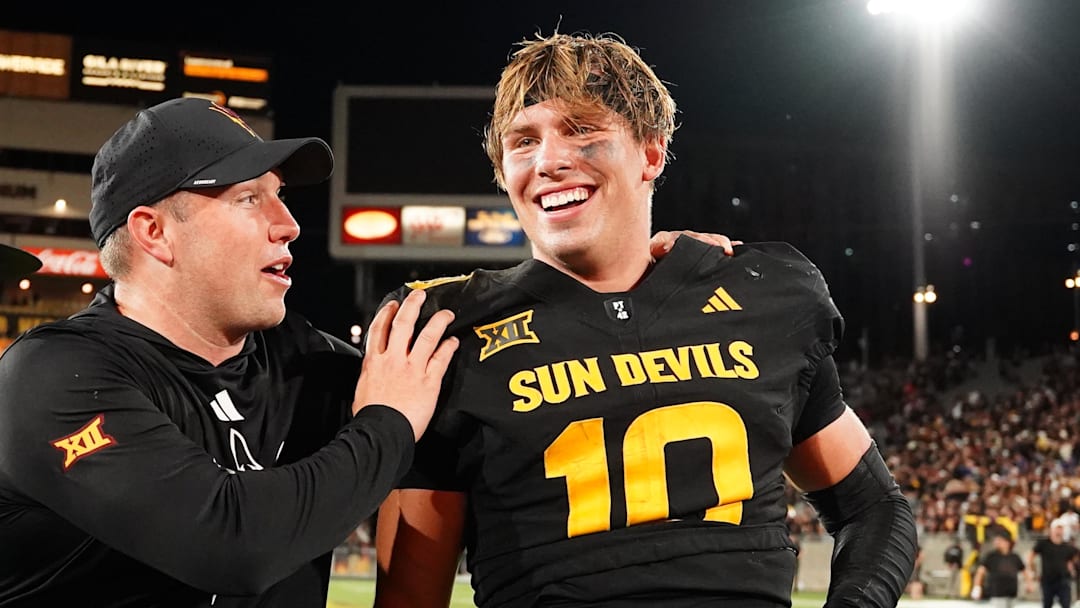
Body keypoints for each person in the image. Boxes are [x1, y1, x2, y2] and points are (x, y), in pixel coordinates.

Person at [372, 31, 918, 607]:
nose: (550, 161)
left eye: (582, 131)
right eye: (523, 142)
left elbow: (875, 508)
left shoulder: (761, 291)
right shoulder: (442, 329)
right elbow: (410, 596)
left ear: (651, 153)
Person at [0, 97, 462, 607]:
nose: (289, 224)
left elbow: (452, 439)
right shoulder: (51, 376)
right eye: (248, 198)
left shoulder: (312, 365)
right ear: (154, 233)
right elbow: (233, 546)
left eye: (280, 195)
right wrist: (388, 423)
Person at [1026, 518, 1079, 608]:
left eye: (1061, 529)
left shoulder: (1068, 546)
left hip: (1063, 580)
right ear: (1052, 529)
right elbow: (1030, 556)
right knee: (1047, 604)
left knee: (1066, 604)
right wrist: (1033, 571)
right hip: (1048, 580)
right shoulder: (1044, 544)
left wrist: (1072, 566)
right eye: (1057, 528)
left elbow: (1076, 557)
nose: (1059, 531)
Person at [972, 532, 1025, 607]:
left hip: (1012, 593)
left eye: (1000, 540)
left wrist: (1029, 583)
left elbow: (1024, 570)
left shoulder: (1014, 557)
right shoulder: (991, 556)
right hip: (997, 593)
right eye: (996, 540)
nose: (996, 543)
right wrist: (977, 587)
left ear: (1007, 542)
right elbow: (980, 572)